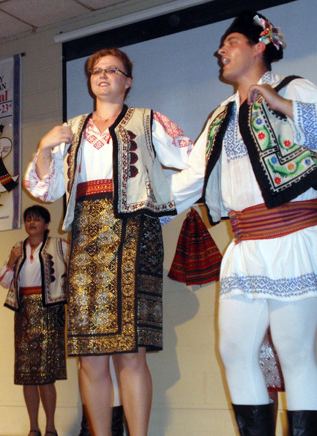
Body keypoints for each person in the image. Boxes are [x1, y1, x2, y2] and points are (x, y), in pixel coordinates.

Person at [187, 10, 317, 435]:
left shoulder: (292, 87)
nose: (220, 51)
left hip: (292, 234)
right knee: (234, 350)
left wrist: (282, 104)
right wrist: (138, 202)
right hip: (246, 245)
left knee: (293, 352)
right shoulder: (220, 115)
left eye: (230, 42)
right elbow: (188, 179)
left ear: (259, 46)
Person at [24, 47, 202, 436]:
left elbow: (195, 163)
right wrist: (43, 147)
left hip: (135, 236)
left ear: (128, 80)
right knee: (89, 355)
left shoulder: (149, 121)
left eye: (112, 70)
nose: (102, 76)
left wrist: (162, 203)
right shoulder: (70, 130)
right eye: (96, 71)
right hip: (87, 237)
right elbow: (43, 187)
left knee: (129, 352)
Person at [0, 205, 67, 436]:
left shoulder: (59, 245)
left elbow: (74, 271)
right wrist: (10, 260)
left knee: (46, 375)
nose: (31, 223)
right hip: (24, 314)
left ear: (46, 224)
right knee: (27, 373)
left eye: (36, 219)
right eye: (28, 220)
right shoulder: (17, 249)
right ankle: (33, 428)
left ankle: (50, 427)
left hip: (49, 313)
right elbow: (5, 282)